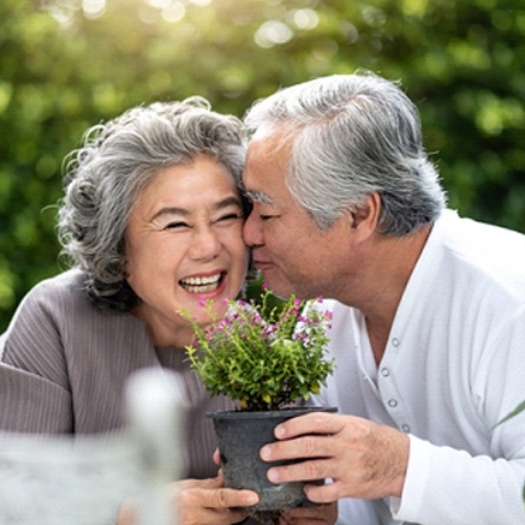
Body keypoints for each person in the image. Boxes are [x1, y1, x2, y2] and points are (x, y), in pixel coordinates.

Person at [0, 97, 336, 525]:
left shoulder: (258, 350)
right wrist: (133, 516)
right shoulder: (57, 319)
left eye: (226, 216)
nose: (209, 247)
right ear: (118, 248)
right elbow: (13, 502)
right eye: (176, 223)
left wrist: (308, 515)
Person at [241, 70, 525, 525]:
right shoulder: (322, 317)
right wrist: (327, 512)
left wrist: (401, 467)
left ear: (359, 214)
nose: (248, 232)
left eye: (266, 212)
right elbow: (369, 504)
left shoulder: (511, 299)